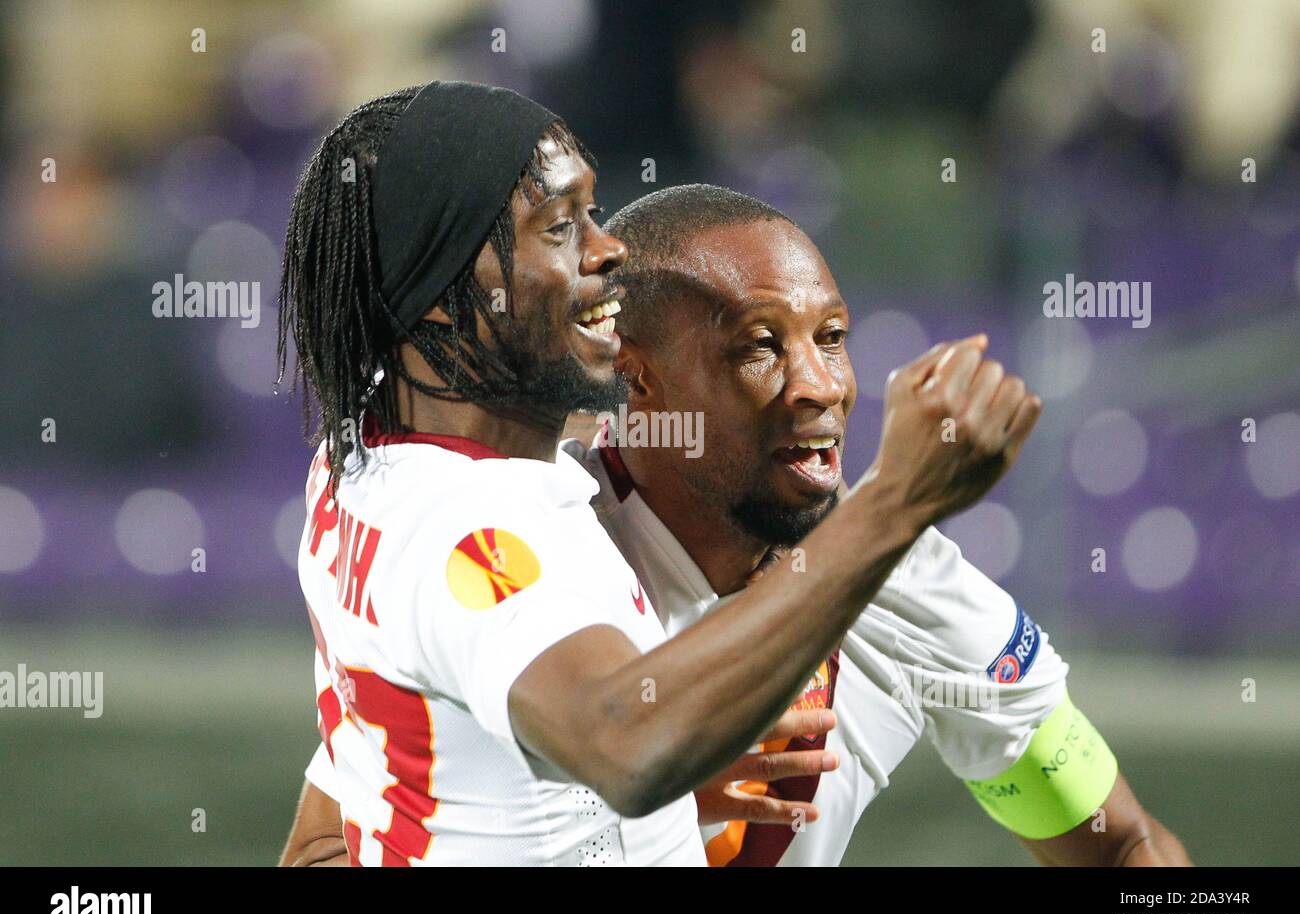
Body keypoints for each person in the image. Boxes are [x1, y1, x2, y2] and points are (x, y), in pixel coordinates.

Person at [283, 182, 1185, 867]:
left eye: (831, 338)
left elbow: (1118, 845)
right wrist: (620, 811)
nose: (821, 388)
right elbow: (327, 844)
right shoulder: (515, 545)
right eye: (761, 345)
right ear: (636, 381)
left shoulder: (909, 589)